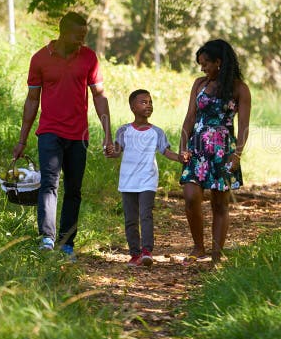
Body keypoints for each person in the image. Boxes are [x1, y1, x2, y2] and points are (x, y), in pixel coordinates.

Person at [12, 11, 112, 260]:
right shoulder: (40, 59)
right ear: (63, 32)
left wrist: (107, 133)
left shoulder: (89, 57)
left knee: (74, 189)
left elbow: (99, 96)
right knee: (49, 183)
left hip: (79, 134)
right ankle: (47, 238)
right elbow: (32, 100)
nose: (82, 40)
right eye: (78, 36)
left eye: (84, 36)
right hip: (49, 131)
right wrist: (22, 140)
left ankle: (67, 243)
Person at [179, 39, 251, 264]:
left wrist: (237, 154)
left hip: (223, 152)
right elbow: (191, 116)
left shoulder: (239, 89)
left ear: (219, 62)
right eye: (200, 64)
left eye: (206, 63)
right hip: (197, 149)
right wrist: (183, 145)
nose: (202, 68)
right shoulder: (199, 84)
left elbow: (244, 127)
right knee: (191, 197)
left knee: (220, 204)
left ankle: (216, 255)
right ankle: (198, 247)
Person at [105, 89, 182, 267]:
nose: (148, 105)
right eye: (143, 102)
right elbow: (117, 151)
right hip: (128, 181)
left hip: (148, 180)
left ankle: (147, 252)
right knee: (130, 218)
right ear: (133, 107)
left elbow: (165, 151)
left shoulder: (157, 132)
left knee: (145, 215)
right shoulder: (123, 131)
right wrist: (110, 152)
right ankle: (134, 254)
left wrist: (179, 158)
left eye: (150, 102)